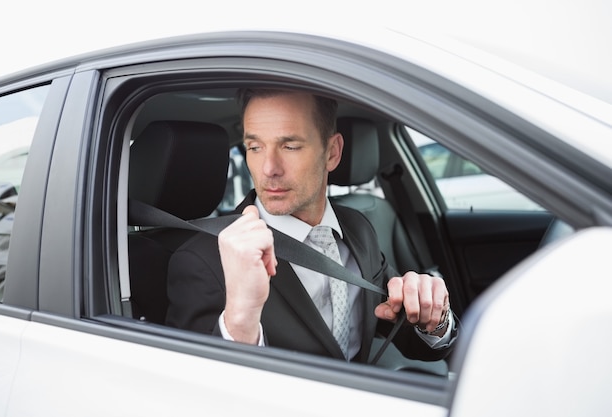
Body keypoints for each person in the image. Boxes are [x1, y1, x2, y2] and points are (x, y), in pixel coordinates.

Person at [165, 88, 458, 362]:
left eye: (290, 146)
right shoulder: (202, 260)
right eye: (255, 147)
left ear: (332, 152)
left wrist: (435, 317)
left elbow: (404, 330)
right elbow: (193, 395)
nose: (269, 169)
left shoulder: (358, 230)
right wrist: (241, 322)